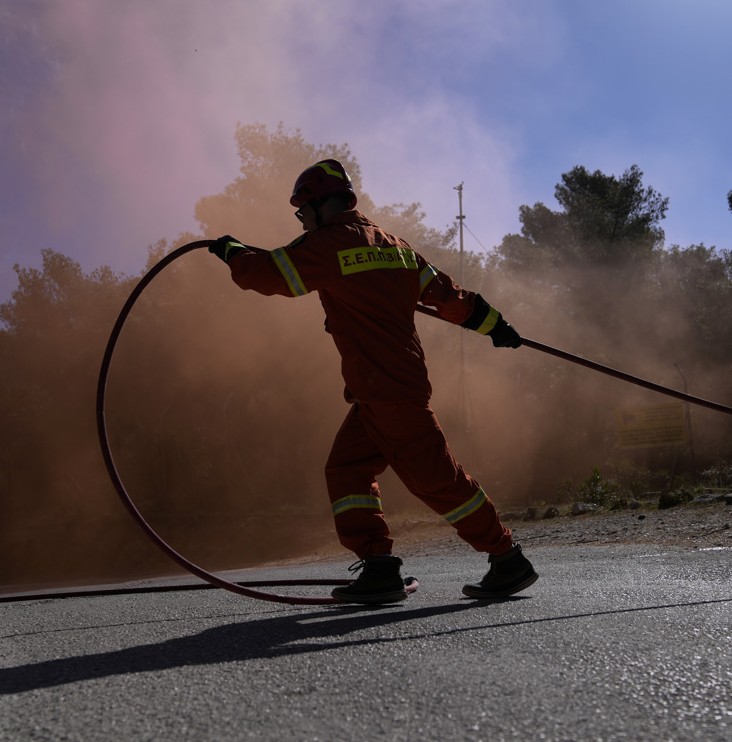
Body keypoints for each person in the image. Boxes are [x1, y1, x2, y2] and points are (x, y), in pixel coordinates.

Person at [207, 158, 538, 604]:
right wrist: (495, 325)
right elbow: (448, 297)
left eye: (304, 211)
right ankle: (380, 568)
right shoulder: (396, 248)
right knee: (347, 468)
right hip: (381, 391)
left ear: (324, 206)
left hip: (389, 392)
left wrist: (233, 252)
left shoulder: (327, 246)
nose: (303, 221)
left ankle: (507, 557)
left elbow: (268, 274)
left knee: (437, 480)